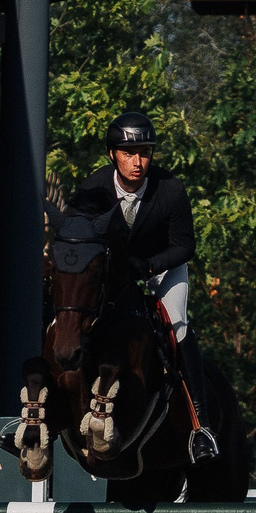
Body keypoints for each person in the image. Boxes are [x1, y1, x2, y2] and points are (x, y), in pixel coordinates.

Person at [70, 109, 216, 460]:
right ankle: (38, 412)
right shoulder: (92, 188)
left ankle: (200, 427)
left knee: (178, 326)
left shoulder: (170, 189)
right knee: (69, 317)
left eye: (145, 153)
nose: (138, 162)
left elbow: (184, 246)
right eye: (128, 153)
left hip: (161, 269)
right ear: (112, 154)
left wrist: (149, 265)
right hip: (111, 276)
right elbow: (76, 239)